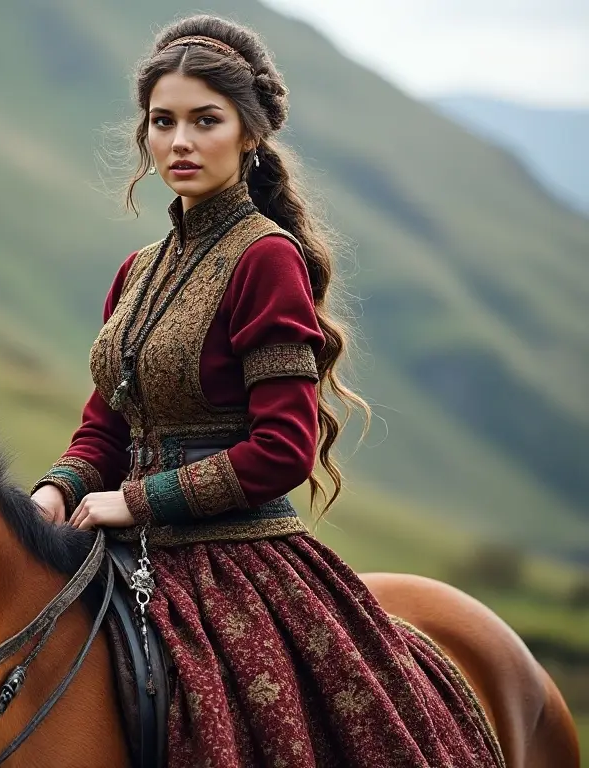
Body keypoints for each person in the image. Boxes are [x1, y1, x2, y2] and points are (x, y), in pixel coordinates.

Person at [31, 14, 503, 767]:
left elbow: (282, 449)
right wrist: (54, 493)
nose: (180, 141)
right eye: (163, 122)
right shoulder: (137, 269)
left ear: (248, 135)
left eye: (205, 120)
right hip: (122, 546)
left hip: (236, 560)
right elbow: (105, 429)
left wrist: (140, 500)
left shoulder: (266, 259)